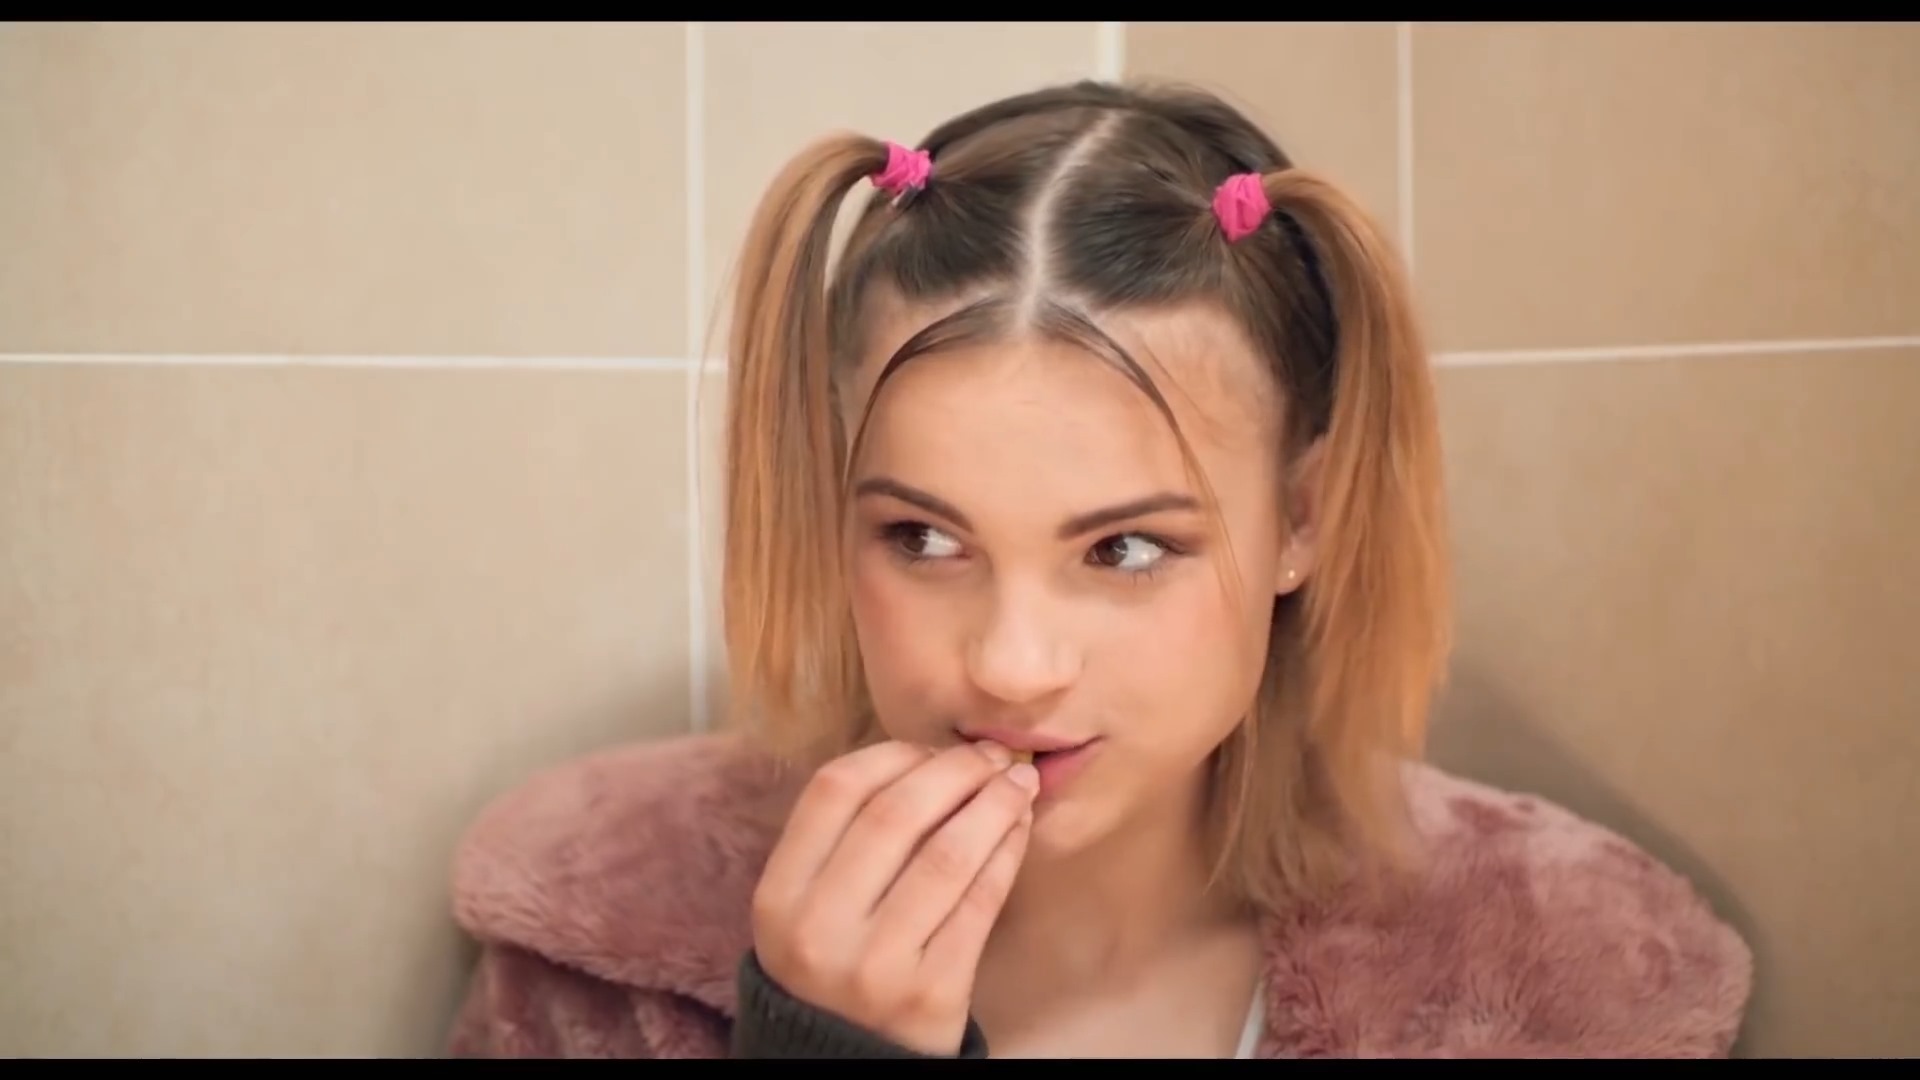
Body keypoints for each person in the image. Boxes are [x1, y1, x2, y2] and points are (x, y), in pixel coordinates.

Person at [442, 79, 1753, 1059]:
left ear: (1304, 517)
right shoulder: (598, 954)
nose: (1012, 666)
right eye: (923, 539)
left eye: (1126, 548)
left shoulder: (1570, 975)